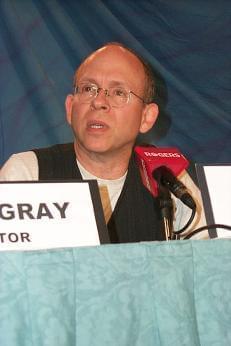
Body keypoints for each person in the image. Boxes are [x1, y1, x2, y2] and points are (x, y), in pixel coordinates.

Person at [0, 42, 206, 242]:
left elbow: (211, 267)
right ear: (70, 108)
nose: (98, 102)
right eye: (89, 89)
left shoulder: (167, 179)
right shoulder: (27, 173)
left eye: (118, 93)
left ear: (146, 117)